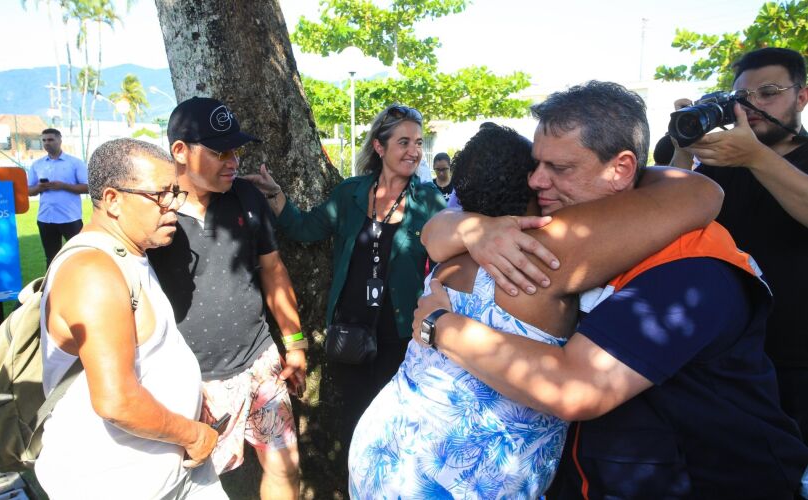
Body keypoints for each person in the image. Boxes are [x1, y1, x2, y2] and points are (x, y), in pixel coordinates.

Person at [414, 81, 808, 498]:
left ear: (620, 169)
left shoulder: (693, 271)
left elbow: (576, 387)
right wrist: (469, 227)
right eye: (536, 163)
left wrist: (441, 327)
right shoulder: (586, 234)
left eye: (560, 169)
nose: (535, 181)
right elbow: (435, 234)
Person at [249, 103, 447, 452]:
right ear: (379, 147)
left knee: (396, 428)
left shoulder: (427, 199)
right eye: (404, 142)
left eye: (418, 143)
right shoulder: (350, 193)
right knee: (355, 425)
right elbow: (305, 228)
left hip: (399, 336)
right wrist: (275, 195)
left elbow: (452, 248)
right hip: (350, 331)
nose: (414, 151)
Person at [35, 138, 225, 499]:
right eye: (161, 196)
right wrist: (193, 434)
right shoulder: (93, 272)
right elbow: (116, 400)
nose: (172, 207)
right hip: (117, 483)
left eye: (175, 193)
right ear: (112, 200)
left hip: (169, 471)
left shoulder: (129, 254)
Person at [147, 97, 306, 499]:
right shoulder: (152, 215)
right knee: (194, 485)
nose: (233, 161)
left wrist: (295, 343)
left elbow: (273, 270)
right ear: (180, 151)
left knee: (285, 466)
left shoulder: (246, 198)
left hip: (261, 363)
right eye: (221, 151)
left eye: (236, 150)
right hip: (191, 381)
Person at [670, 47, 808, 444]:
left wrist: (756, 158)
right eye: (743, 99)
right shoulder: (721, 160)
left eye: (769, 92)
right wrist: (683, 146)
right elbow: (665, 216)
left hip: (797, 360)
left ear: (801, 97)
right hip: (724, 357)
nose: (754, 106)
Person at [26, 128, 89, 267]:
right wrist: (39, 188)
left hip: (70, 218)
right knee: (51, 258)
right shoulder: (37, 165)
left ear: (60, 140)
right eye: (44, 140)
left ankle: (80, 284)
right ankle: (51, 287)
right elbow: (29, 191)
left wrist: (63, 186)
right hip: (45, 218)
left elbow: (87, 187)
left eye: (50, 139)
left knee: (79, 256)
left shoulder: (75, 163)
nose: (47, 143)